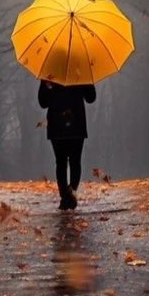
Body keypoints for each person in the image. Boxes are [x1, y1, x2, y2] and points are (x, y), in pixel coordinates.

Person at [38, 79, 96, 210]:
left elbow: (43, 102)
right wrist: (87, 81)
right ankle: (69, 195)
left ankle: (65, 197)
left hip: (58, 125)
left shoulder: (50, 73)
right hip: (75, 124)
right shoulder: (81, 71)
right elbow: (91, 97)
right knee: (74, 161)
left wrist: (48, 87)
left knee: (61, 162)